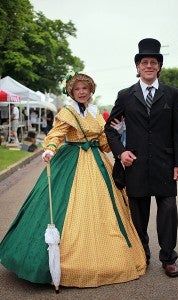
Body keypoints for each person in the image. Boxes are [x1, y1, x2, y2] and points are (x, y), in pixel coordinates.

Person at [0, 72, 146, 290]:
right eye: (77, 89)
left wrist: (118, 133)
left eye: (84, 89)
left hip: (97, 162)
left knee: (104, 209)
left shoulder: (96, 114)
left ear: (90, 91)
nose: (81, 92)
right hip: (71, 161)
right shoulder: (67, 112)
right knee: (64, 206)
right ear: (71, 92)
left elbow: (105, 144)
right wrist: (49, 149)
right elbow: (56, 135)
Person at [105, 38, 178, 278]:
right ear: (138, 67)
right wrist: (121, 152)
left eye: (153, 62)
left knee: (168, 210)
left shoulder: (172, 94)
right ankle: (143, 254)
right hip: (136, 165)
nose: (149, 66)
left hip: (165, 164)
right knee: (138, 215)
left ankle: (168, 257)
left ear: (159, 66)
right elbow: (110, 129)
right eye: (144, 62)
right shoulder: (125, 95)